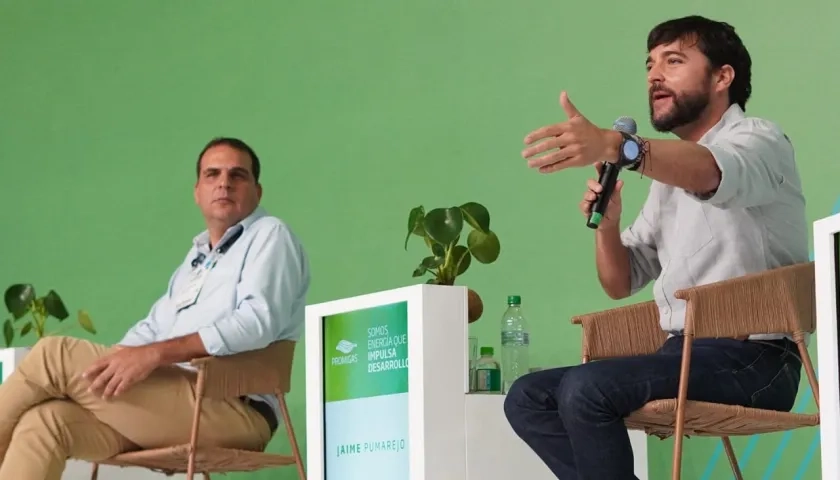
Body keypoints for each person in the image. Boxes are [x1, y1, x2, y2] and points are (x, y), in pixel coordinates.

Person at [504, 15, 807, 480]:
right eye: (649, 66)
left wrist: (621, 147)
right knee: (528, 397)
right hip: (681, 353)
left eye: (674, 61)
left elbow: (713, 171)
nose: (654, 76)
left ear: (722, 77)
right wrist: (607, 226)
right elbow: (620, 282)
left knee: (587, 389)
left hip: (758, 360)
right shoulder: (664, 178)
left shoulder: (759, 139)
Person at [0, 137, 311, 480]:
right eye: (212, 174)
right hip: (171, 404)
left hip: (232, 408)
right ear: (197, 191)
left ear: (257, 191)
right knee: (46, 422)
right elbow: (151, 329)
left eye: (237, 175)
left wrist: (155, 355)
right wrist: (118, 359)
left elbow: (258, 322)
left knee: (53, 355)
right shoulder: (196, 260)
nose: (224, 182)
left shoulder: (270, 235)